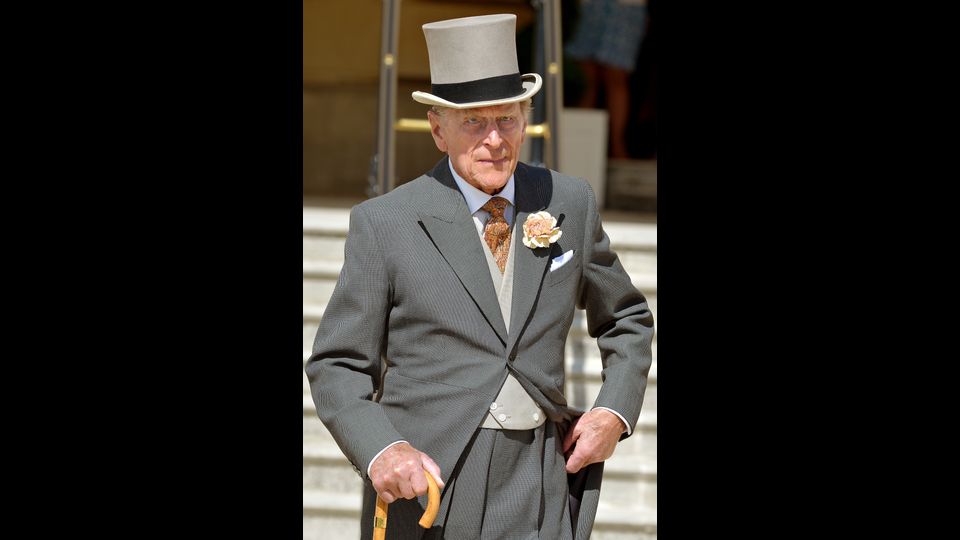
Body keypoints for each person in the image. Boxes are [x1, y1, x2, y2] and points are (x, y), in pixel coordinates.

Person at [305, 13, 654, 539]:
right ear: (438, 129)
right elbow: (337, 365)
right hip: (432, 488)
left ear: (525, 118)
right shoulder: (385, 223)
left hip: (541, 479)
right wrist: (383, 449)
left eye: (507, 119)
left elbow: (626, 318)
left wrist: (614, 411)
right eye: (473, 122)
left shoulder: (569, 202)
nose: (495, 139)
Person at [565, 0, 649, 159]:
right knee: (586, 79)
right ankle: (582, 145)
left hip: (627, 5)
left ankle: (617, 145)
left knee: (616, 76)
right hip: (591, 5)